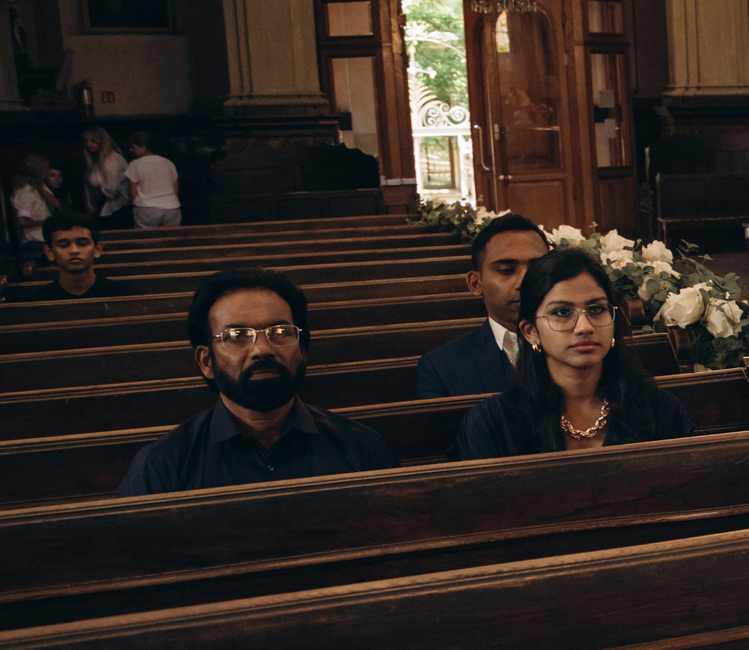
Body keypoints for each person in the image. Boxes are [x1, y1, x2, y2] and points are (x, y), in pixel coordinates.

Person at [119, 269, 397, 495]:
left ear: (302, 350)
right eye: (238, 335)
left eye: (280, 332)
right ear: (206, 362)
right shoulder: (162, 467)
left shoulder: (362, 449)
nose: (262, 350)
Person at [452, 247, 694, 458]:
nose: (584, 327)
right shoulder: (493, 424)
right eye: (562, 312)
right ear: (530, 331)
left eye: (597, 309)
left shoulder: (659, 410)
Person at [416, 212, 550, 398]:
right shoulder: (442, 367)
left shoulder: (583, 343)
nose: (524, 282)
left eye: (536, 269)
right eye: (506, 270)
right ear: (476, 283)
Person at [14, 211, 130, 301]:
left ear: (97, 249)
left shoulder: (123, 295)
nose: (74, 250)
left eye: (82, 244)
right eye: (64, 245)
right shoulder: (36, 302)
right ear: (49, 252)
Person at [125, 131, 181, 227]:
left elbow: (132, 192)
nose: (131, 150)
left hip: (146, 208)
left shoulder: (135, 164)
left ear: (143, 148)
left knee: (145, 239)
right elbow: (175, 189)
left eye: (133, 147)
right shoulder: (168, 163)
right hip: (172, 207)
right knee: (171, 238)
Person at [83, 126, 131, 229]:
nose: (88, 144)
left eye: (93, 141)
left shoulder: (111, 160)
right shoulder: (95, 161)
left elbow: (111, 189)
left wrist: (99, 191)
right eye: (86, 141)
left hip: (116, 209)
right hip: (103, 207)